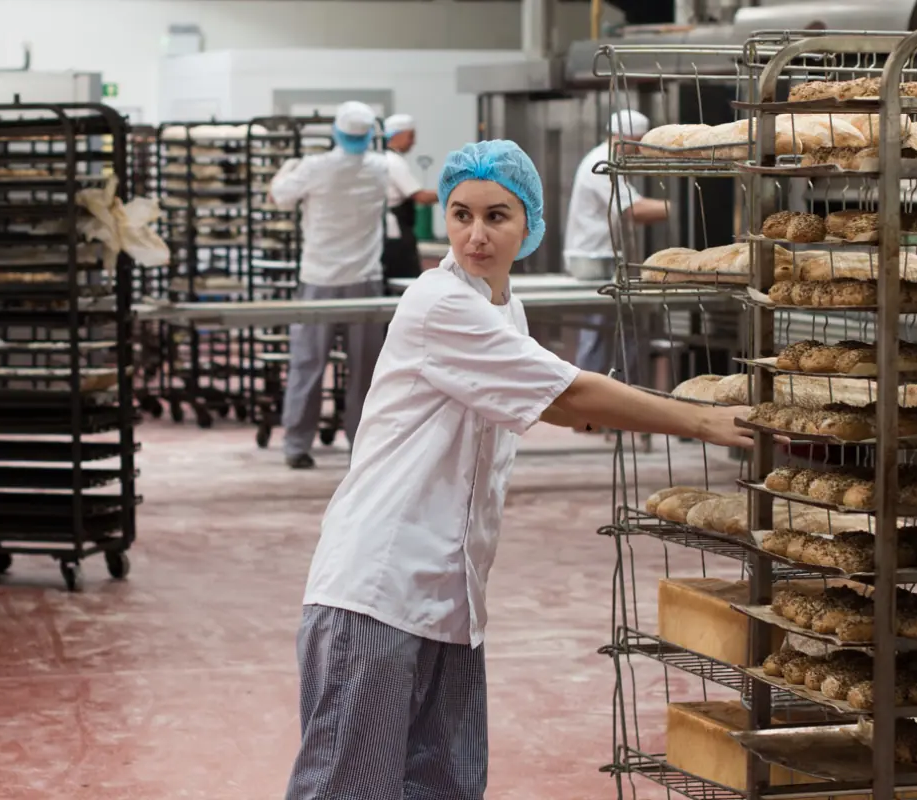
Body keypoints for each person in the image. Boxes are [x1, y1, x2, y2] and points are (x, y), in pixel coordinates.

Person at [284, 140, 754, 800]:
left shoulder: (503, 308)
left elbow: (549, 398)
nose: (476, 234)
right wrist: (703, 420)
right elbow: (565, 397)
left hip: (448, 597)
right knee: (348, 788)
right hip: (376, 589)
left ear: (529, 224)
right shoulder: (438, 302)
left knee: (443, 785)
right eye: (461, 214)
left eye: (497, 216)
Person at [267, 101, 390, 470]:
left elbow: (278, 198)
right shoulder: (382, 168)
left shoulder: (315, 167)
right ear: (370, 135)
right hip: (365, 283)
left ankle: (296, 445)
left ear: (335, 132)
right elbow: (405, 195)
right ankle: (363, 446)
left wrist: (282, 172)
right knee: (365, 370)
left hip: (319, 279)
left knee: (307, 364)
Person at [563, 109, 670, 386]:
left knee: (609, 329)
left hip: (599, 256)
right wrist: (682, 207)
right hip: (593, 259)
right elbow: (632, 209)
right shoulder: (602, 163)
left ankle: (608, 406)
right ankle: (587, 411)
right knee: (598, 330)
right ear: (628, 140)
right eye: (638, 145)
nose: (638, 151)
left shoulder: (605, 158)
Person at [379, 113, 437, 292]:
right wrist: (455, 190)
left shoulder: (385, 159)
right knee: (405, 280)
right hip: (395, 234)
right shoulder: (393, 162)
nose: (413, 142)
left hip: (390, 230)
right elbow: (421, 197)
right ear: (397, 135)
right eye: (411, 136)